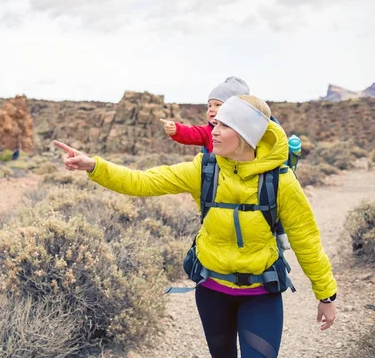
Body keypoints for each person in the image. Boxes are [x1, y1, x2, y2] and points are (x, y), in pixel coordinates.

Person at [53, 95, 337, 358]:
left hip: (261, 295)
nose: (213, 129)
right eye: (215, 122)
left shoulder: (281, 182)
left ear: (247, 134)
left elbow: (307, 241)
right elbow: (142, 181)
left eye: (224, 125)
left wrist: (325, 295)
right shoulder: (204, 169)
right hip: (212, 291)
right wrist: (93, 166)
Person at [160, 76, 250, 153]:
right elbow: (191, 133)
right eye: (209, 106)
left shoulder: (247, 131)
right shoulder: (208, 131)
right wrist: (176, 129)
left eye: (217, 105)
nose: (211, 109)